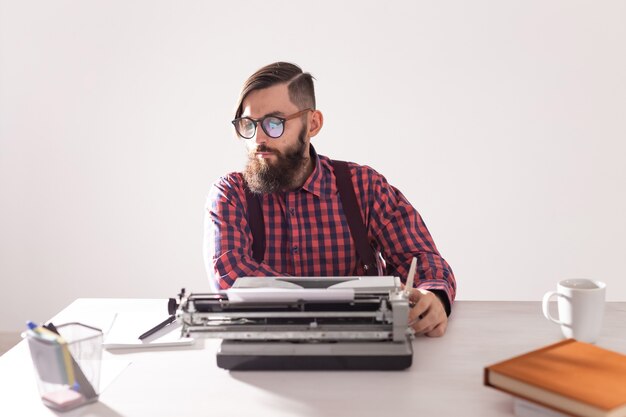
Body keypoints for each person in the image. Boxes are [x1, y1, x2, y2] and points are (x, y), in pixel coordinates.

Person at [204, 62, 456, 337]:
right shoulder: (231, 194)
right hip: (268, 353)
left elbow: (420, 256)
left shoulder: (363, 186)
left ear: (312, 124)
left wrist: (432, 295)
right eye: (248, 124)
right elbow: (233, 278)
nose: (258, 139)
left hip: (363, 350)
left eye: (274, 123)